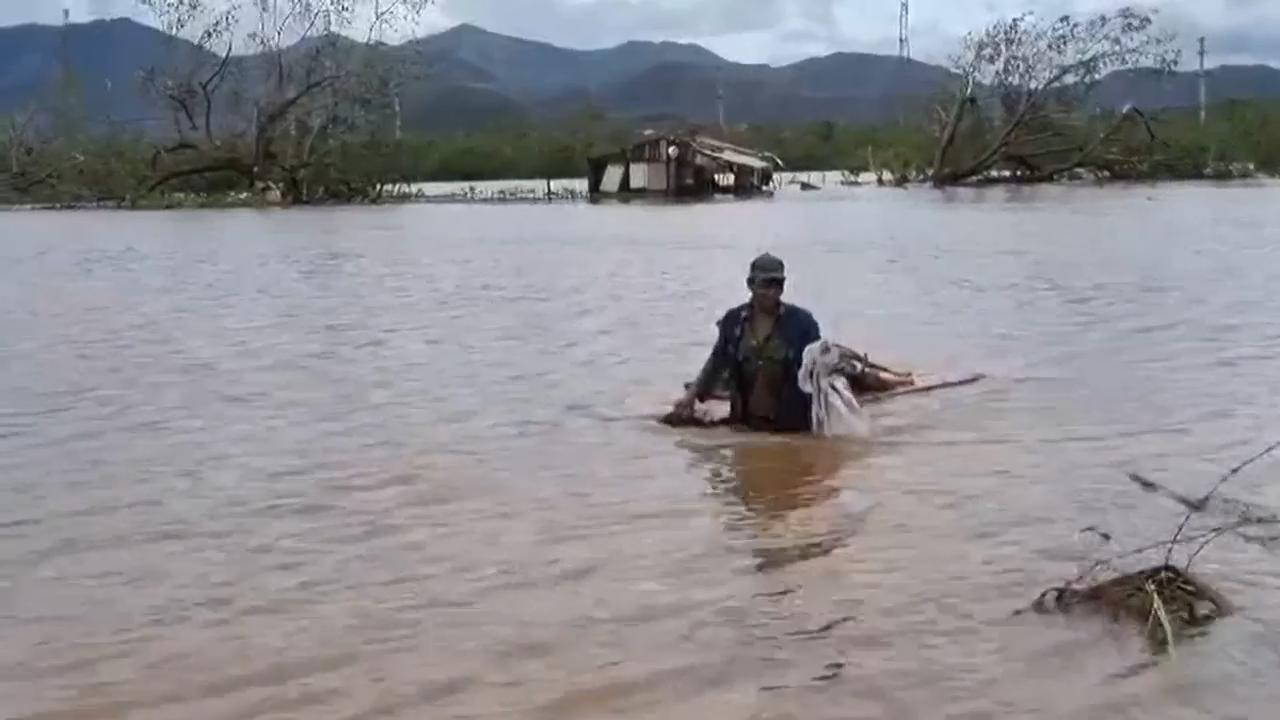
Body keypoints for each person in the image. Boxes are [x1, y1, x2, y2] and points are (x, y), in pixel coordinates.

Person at [671, 253, 823, 433]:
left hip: (791, 428)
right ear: (750, 284)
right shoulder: (733, 321)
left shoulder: (802, 323)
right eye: (766, 285)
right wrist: (691, 396)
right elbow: (717, 362)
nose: (772, 292)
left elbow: (820, 370)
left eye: (778, 285)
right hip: (744, 423)